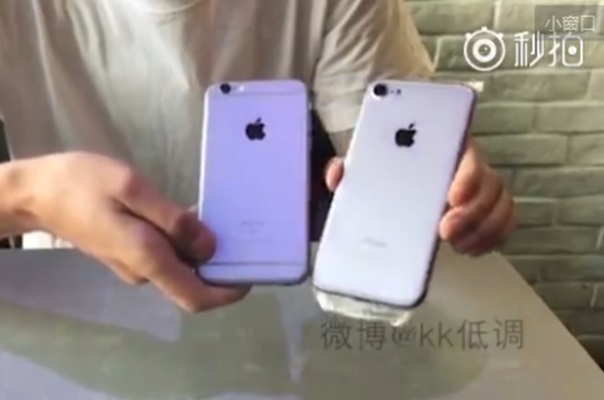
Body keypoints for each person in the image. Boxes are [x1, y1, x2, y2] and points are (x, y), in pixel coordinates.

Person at [0, 0, 516, 313]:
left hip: (266, 306)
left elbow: (387, 152)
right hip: (66, 298)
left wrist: (441, 191)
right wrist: (28, 197)